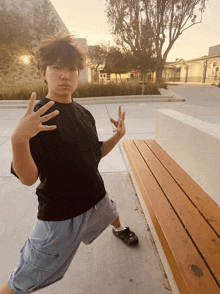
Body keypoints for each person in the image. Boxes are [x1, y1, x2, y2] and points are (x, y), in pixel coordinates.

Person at [0, 31, 138, 294]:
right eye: (57, 68)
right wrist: (18, 140)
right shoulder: (39, 117)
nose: (65, 75)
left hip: (96, 198)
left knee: (111, 210)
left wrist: (117, 136)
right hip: (61, 218)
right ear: (43, 72)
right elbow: (29, 179)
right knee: (23, 279)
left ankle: (120, 229)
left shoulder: (83, 113)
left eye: (72, 69)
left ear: (78, 74)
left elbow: (94, 154)